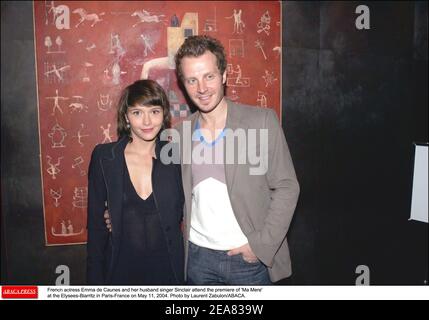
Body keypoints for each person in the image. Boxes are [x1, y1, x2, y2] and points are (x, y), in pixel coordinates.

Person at [173, 35, 300, 285]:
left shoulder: (261, 121)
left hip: (248, 261)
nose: (201, 88)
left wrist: (261, 245)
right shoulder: (179, 133)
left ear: (224, 76)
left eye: (209, 76)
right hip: (197, 260)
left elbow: (287, 186)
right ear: (184, 84)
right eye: (192, 80)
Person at [87, 79, 184, 285]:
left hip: (168, 272)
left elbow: (190, 209)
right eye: (138, 112)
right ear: (126, 116)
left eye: (154, 112)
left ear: (164, 115)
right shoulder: (104, 157)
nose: (147, 122)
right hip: (120, 272)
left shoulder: (176, 156)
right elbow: (95, 228)